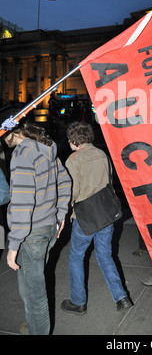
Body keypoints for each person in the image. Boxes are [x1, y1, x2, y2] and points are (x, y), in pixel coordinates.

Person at [4, 121, 71, 335]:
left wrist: (13, 245)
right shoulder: (47, 148)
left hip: (31, 233)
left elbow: (23, 202)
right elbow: (65, 182)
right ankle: (33, 324)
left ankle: (38, 329)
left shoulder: (23, 154)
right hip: (47, 227)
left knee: (35, 295)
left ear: (13, 132)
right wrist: (60, 215)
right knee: (29, 286)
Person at [61, 121, 133, 314]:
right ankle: (121, 297)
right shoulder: (101, 154)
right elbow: (108, 182)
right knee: (105, 255)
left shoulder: (73, 160)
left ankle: (78, 302)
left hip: (85, 217)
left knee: (76, 256)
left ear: (73, 140)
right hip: (106, 214)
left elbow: (72, 192)